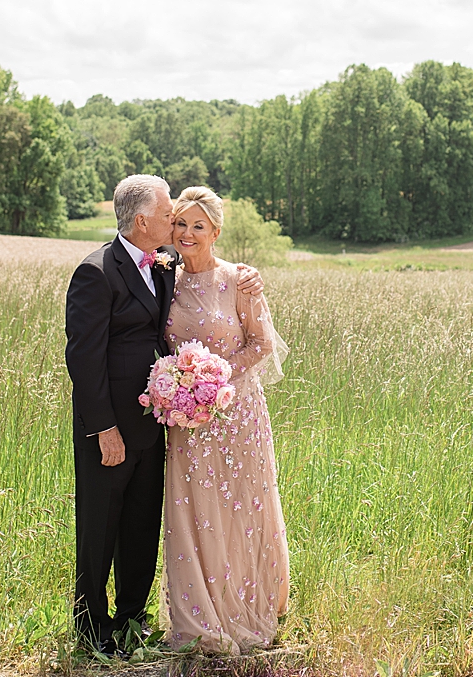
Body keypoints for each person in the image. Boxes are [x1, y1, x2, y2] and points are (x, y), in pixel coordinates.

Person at [64, 174, 263, 655]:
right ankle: (92, 632)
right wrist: (104, 428)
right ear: (142, 220)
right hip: (109, 428)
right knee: (99, 530)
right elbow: (82, 359)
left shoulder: (164, 264)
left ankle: (132, 619)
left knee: (140, 526)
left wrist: (248, 274)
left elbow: (207, 272)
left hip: (157, 426)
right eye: (168, 210)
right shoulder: (97, 272)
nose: (175, 217)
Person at [161, 185, 290, 653]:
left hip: (236, 413)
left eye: (198, 226)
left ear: (215, 232)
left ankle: (244, 605)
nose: (187, 233)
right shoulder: (164, 280)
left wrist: (214, 378)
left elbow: (262, 344)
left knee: (240, 509)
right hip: (186, 421)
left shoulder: (239, 280)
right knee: (192, 513)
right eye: (180, 223)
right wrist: (183, 389)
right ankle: (198, 618)